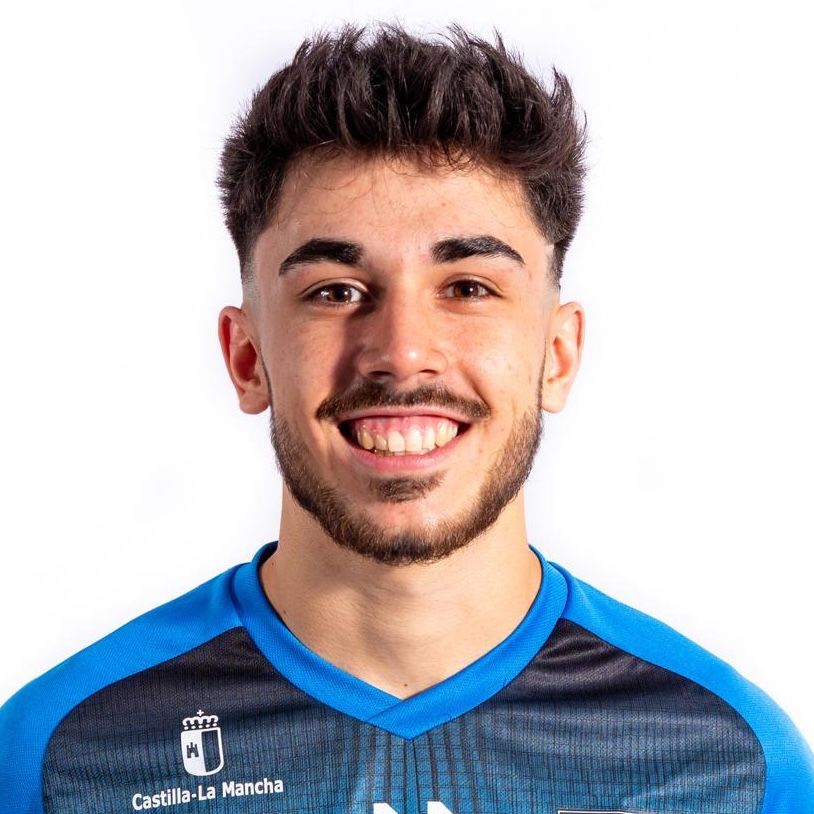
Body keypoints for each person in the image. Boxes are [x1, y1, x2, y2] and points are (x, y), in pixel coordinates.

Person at [1, 23, 812, 814]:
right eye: (334, 291)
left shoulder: (731, 765)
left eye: (468, 288)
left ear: (557, 356)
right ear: (247, 359)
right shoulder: (58, 758)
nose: (402, 352)